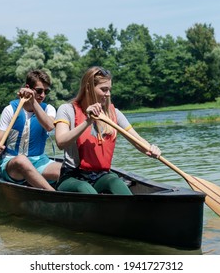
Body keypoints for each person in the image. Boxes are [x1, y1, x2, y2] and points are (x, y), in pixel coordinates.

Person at [54, 66, 161, 194]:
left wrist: (150, 149)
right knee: (84, 188)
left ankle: (132, 212)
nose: (108, 94)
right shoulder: (66, 110)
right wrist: (88, 121)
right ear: (88, 88)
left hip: (100, 176)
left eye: (109, 89)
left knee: (115, 182)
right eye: (104, 89)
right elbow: (61, 142)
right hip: (72, 177)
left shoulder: (114, 113)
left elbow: (137, 140)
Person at [0, 69, 61, 190]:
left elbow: (49, 126)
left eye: (46, 91)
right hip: (13, 164)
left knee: (68, 171)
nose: (43, 95)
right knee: (22, 161)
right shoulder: (10, 110)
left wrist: (33, 102)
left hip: (39, 161)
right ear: (28, 87)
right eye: (39, 91)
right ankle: (53, 194)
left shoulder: (49, 109)